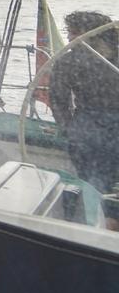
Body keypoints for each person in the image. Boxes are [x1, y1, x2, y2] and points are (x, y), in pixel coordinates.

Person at [49, 10, 119, 196]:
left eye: (74, 32)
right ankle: (98, 202)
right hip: (87, 121)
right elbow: (58, 99)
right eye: (69, 31)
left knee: (103, 175)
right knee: (94, 177)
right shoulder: (67, 61)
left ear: (94, 33)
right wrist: (67, 128)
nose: (69, 37)